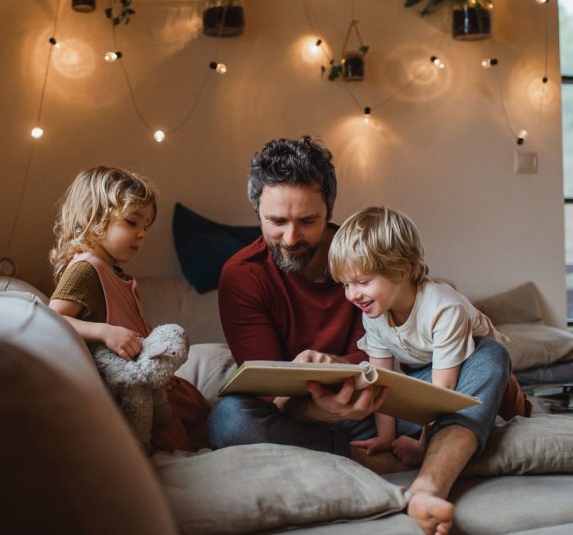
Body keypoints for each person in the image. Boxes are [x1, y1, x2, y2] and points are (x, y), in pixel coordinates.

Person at [208, 136, 526, 534]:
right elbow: (270, 395)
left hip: (392, 401)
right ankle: (378, 460)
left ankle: (429, 483)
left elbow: (409, 358)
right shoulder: (242, 276)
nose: (291, 239)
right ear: (257, 211)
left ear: (329, 212)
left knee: (488, 355)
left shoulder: (369, 254)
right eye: (276, 222)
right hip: (307, 417)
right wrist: (320, 408)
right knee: (229, 418)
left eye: (308, 221)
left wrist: (346, 373)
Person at [328, 205, 530, 467]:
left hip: (477, 368)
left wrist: (424, 446)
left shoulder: (443, 308)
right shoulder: (373, 313)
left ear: (401, 269)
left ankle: (516, 412)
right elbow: (380, 381)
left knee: (513, 415)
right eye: (346, 284)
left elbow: (441, 391)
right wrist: (385, 438)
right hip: (426, 372)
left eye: (363, 282)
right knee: (367, 402)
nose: (352, 295)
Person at [48, 165, 208, 453]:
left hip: (146, 377)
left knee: (199, 407)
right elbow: (52, 318)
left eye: (145, 226)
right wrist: (104, 331)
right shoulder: (87, 268)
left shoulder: (112, 270)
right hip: (128, 390)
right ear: (93, 219)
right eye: (132, 223)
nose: (142, 234)